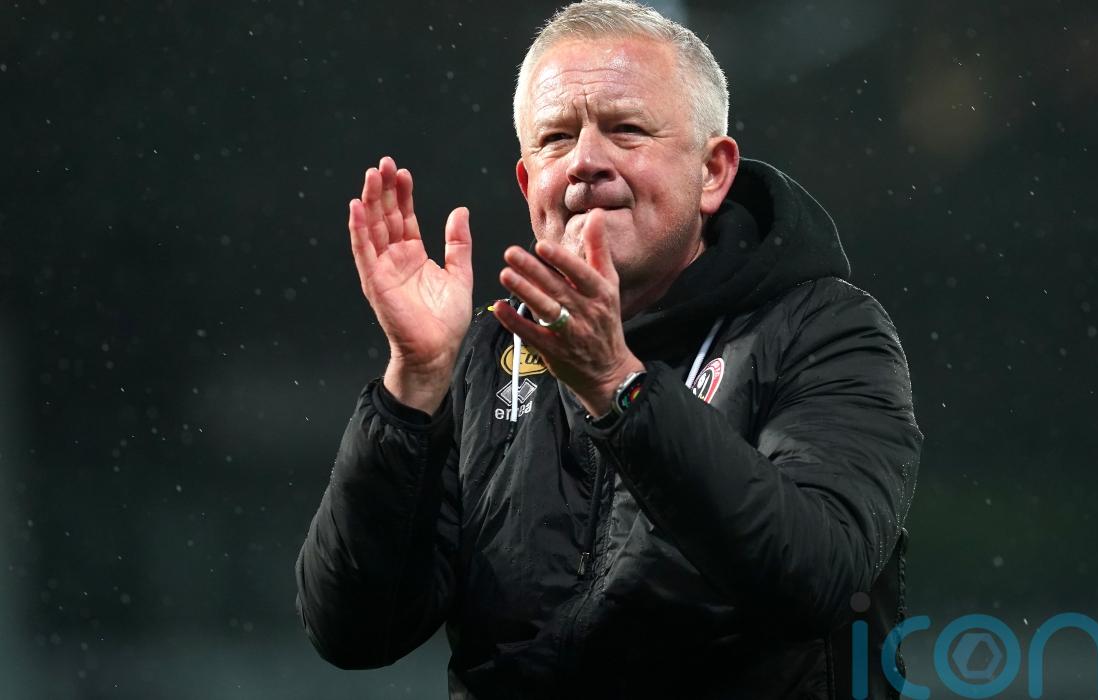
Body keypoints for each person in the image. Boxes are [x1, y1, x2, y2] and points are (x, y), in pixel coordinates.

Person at [294, 1, 922, 697]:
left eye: (626, 130)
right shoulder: (487, 353)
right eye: (556, 138)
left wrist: (620, 389)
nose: (586, 162)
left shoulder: (826, 331)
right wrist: (413, 383)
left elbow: (819, 578)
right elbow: (355, 632)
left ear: (713, 172)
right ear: (529, 183)